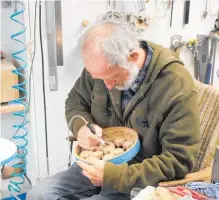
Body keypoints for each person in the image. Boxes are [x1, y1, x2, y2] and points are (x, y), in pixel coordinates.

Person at [26, 18, 200, 200]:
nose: (107, 86)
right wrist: (81, 127)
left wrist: (114, 176)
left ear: (132, 57)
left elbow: (179, 160)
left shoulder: (176, 86)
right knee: (38, 195)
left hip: (139, 178)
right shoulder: (102, 68)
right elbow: (75, 102)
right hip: (97, 163)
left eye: (112, 78)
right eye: (99, 78)